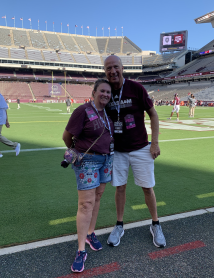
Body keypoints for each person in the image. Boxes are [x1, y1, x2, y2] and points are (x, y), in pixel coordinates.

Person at [104, 55, 166, 249]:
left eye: (115, 67)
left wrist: (154, 143)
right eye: (108, 68)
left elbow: (153, 115)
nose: (112, 71)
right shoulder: (105, 90)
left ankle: (156, 224)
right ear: (104, 71)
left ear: (122, 68)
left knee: (147, 187)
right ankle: (119, 225)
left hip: (141, 148)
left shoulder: (136, 88)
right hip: (118, 151)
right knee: (119, 188)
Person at [62, 79, 114, 273]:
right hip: (88, 161)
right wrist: (75, 152)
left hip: (106, 160)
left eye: (108, 92)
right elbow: (67, 137)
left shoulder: (108, 113)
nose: (106, 95)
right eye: (102, 91)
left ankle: (91, 233)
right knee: (86, 204)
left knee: (98, 197)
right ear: (94, 92)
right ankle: (81, 250)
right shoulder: (82, 111)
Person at [0, 81, 21, 158]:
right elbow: (4, 108)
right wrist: (7, 121)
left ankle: (15, 145)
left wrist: (6, 120)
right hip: (0, 117)